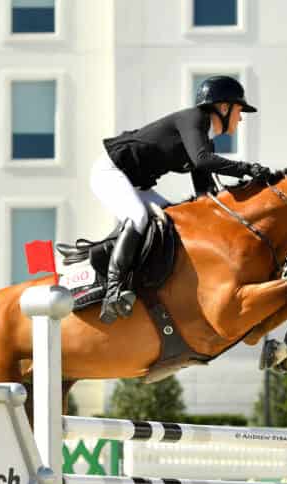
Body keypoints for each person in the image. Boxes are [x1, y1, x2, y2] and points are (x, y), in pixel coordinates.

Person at [91, 75, 271, 322]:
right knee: (138, 216)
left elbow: (205, 196)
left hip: (136, 184)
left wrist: (246, 193)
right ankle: (113, 292)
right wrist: (247, 168)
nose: (240, 119)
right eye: (239, 110)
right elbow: (201, 161)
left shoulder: (204, 140)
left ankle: (149, 283)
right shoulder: (194, 119)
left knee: (174, 221)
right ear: (224, 107)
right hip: (110, 172)